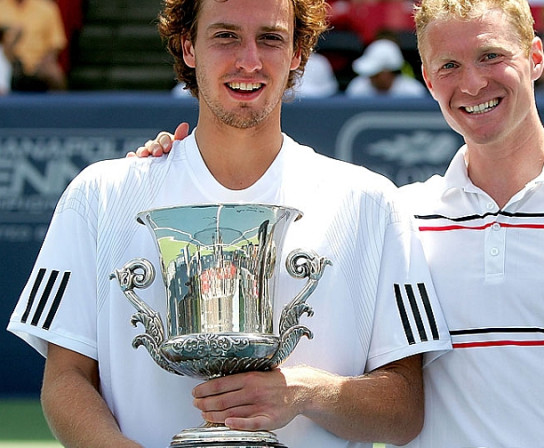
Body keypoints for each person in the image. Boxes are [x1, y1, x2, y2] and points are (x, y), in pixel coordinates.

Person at [134, 0, 544, 446]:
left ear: (534, 58)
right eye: (448, 66)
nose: (472, 82)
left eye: (490, 56)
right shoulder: (402, 215)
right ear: (426, 79)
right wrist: (179, 166)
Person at [6, 0, 451, 447]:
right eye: (226, 36)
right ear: (188, 47)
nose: (249, 60)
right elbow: (65, 380)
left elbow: (405, 410)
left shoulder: (372, 204)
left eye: (271, 38)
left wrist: (307, 392)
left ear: (298, 53)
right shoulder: (99, 196)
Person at [0, 0, 67, 91]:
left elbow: (55, 45)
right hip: (8, 61)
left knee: (55, 75)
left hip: (38, 64)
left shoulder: (47, 8)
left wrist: (45, 62)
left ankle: (61, 104)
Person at [345, 38, 427, 98]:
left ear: (389, 71)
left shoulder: (413, 92)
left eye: (376, 74)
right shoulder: (357, 88)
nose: (371, 77)